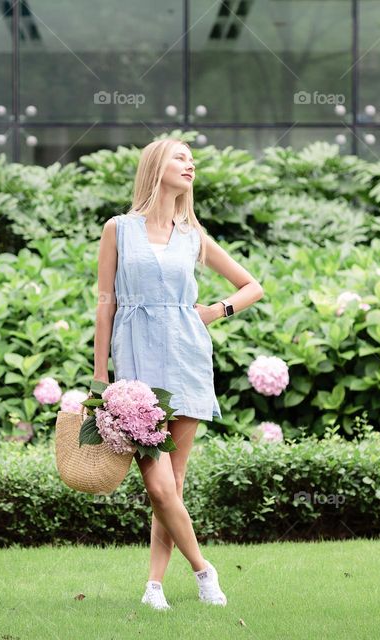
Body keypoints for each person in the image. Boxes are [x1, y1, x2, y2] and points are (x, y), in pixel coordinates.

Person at [93, 138, 265, 610]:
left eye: (193, 159)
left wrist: (215, 311)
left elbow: (253, 286)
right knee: (157, 484)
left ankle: (154, 588)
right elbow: (105, 304)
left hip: (187, 357)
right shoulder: (119, 229)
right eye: (179, 157)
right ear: (155, 166)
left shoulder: (193, 235)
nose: (190, 165)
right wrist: (99, 376)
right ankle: (204, 570)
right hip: (136, 367)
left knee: (174, 485)